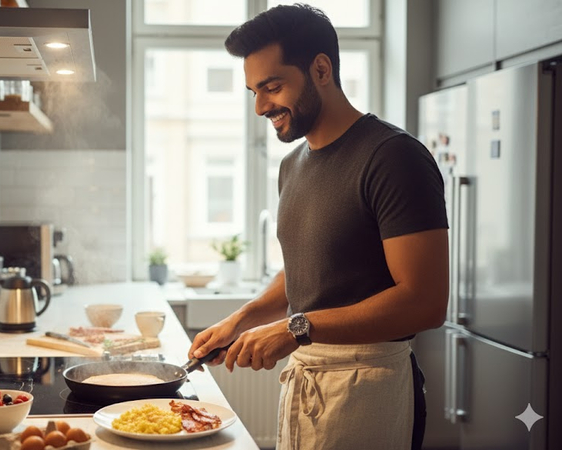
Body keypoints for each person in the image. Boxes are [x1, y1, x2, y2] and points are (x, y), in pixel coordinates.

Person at [187, 4, 449, 450]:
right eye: (253, 91)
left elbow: (424, 303)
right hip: (309, 378)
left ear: (321, 69)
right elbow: (309, 272)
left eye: (272, 87)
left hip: (370, 387)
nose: (260, 106)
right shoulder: (292, 166)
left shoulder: (393, 157)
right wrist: (244, 318)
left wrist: (294, 328)